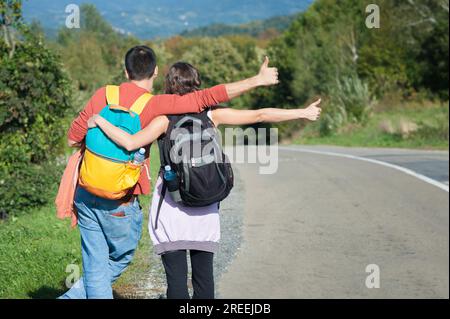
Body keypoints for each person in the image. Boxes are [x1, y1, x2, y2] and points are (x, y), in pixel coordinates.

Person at [87, 62, 322, 299]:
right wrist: (302, 112)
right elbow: (260, 114)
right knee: (204, 279)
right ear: (196, 83)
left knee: (176, 282)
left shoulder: (164, 120)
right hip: (206, 206)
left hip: (172, 206)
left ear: (169, 86)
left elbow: (129, 143)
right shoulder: (213, 115)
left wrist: (100, 121)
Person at [60, 46, 280, 299]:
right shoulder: (155, 104)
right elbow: (205, 98)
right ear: (154, 71)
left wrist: (100, 127)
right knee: (117, 259)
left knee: (94, 261)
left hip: (85, 192)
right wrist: (257, 80)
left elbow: (72, 138)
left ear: (125, 71)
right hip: (120, 197)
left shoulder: (103, 94)